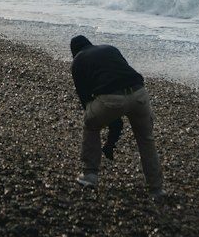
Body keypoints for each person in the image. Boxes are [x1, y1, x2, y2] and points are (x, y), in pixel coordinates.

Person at [69, 35, 166, 202]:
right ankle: (156, 189)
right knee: (146, 140)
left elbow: (85, 99)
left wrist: (110, 123)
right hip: (139, 94)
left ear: (74, 51)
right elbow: (122, 73)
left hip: (112, 100)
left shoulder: (78, 61)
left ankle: (90, 174)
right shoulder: (110, 48)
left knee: (90, 125)